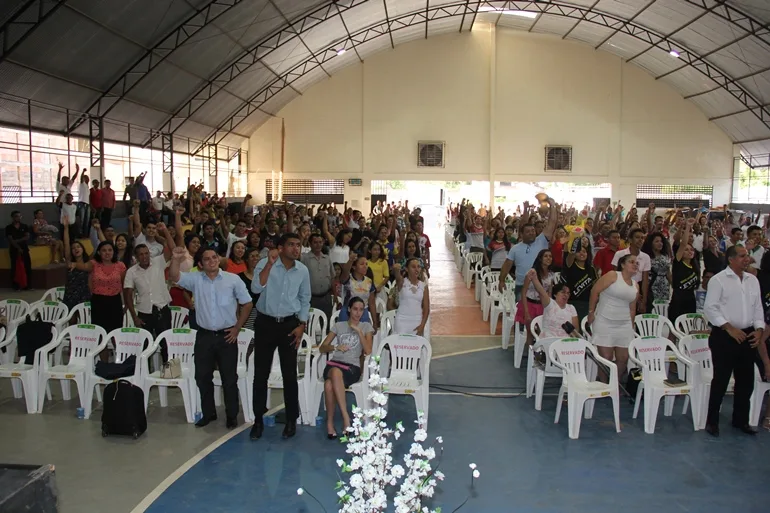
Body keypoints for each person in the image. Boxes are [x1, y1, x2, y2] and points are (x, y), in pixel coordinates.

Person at [169, 246, 253, 429]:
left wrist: (238, 328)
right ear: (200, 264)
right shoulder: (195, 280)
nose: (212, 261)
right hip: (204, 336)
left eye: (214, 257)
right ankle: (209, 413)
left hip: (227, 336)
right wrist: (175, 259)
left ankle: (232, 416)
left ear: (219, 259)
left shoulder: (233, 280)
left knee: (229, 379)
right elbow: (175, 277)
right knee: (202, 376)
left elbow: (247, 303)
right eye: (206, 259)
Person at [250, 233, 311, 440]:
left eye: (299, 245)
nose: (296, 249)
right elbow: (255, 288)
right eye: (292, 245)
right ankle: (258, 419)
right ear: (280, 248)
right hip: (265, 323)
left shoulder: (302, 270)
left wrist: (302, 324)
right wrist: (268, 264)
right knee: (261, 373)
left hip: (289, 325)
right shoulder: (264, 264)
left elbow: (305, 298)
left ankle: (292, 418)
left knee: (289, 374)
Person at [703, 245, 764, 436]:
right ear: (731, 259)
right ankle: (712, 421)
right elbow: (710, 308)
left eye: (747, 256)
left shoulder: (752, 280)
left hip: (747, 335)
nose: (747, 259)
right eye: (742, 256)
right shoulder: (718, 280)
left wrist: (759, 329)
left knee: (745, 381)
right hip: (725, 335)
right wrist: (729, 328)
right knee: (721, 380)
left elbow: (758, 308)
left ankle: (740, 420)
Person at [318, 297, 373, 439]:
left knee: (329, 384)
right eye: (355, 309)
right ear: (349, 309)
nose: (358, 313)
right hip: (334, 364)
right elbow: (322, 347)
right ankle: (346, 418)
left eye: (361, 310)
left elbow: (368, 351)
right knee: (334, 373)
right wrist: (335, 347)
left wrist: (359, 332)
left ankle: (331, 422)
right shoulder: (339, 325)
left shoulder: (366, 327)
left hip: (352, 368)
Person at [587, 254, 639, 386]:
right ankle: (603, 384)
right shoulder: (612, 275)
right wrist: (591, 312)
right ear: (622, 264)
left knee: (623, 358)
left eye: (637, 263)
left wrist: (631, 326)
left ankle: (614, 384)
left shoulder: (635, 285)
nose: (635, 265)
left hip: (624, 324)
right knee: (606, 357)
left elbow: (632, 308)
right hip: (605, 321)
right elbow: (594, 291)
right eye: (631, 262)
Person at [499, 198, 558, 299]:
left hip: (541, 286)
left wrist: (552, 206)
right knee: (522, 313)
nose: (532, 233)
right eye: (528, 231)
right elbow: (507, 265)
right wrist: (501, 280)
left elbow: (552, 223)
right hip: (521, 286)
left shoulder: (542, 240)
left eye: (533, 230)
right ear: (521, 234)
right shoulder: (515, 249)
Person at [123, 243, 173, 361]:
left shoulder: (158, 262)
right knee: (145, 346)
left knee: (166, 344)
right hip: (144, 312)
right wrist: (134, 317)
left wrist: (163, 232)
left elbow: (172, 249)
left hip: (162, 309)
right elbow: (128, 294)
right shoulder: (131, 272)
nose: (144, 257)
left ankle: (168, 371)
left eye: (146, 253)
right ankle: (145, 374)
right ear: (136, 257)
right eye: (141, 254)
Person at [89, 241, 127, 361]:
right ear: (99, 252)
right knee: (101, 336)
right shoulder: (93, 265)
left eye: (110, 250)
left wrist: (125, 303)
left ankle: (120, 363)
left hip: (114, 303)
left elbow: (125, 286)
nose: (107, 253)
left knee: (116, 335)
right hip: (98, 303)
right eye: (104, 250)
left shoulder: (120, 266)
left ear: (113, 252)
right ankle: (104, 365)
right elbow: (90, 284)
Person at [516, 249, 557, 345]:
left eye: (550, 256)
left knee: (542, 332)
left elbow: (549, 293)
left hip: (542, 306)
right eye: (546, 256)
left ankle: (541, 354)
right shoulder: (532, 272)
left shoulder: (551, 274)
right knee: (530, 332)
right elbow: (524, 291)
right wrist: (526, 311)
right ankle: (529, 355)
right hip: (529, 304)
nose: (548, 258)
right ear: (540, 258)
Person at [528, 270, 579, 338]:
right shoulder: (550, 304)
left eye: (568, 293)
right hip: (549, 340)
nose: (566, 295)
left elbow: (576, 330)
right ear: (555, 294)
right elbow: (541, 290)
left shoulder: (571, 308)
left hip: (566, 341)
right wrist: (534, 278)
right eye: (563, 292)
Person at [611, 228, 650, 313]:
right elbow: (615, 275)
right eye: (637, 237)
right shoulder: (620, 254)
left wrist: (643, 301)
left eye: (642, 238)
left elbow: (645, 280)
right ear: (630, 239)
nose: (640, 240)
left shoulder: (646, 257)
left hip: (638, 288)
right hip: (621, 288)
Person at [669, 218, 700, 323]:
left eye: (691, 249)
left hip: (690, 300)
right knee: (674, 330)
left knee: (689, 329)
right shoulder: (678, 263)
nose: (689, 251)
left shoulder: (695, 266)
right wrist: (687, 226)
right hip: (678, 300)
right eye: (686, 250)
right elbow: (683, 243)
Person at [392, 258, 430, 337]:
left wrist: (422, 325)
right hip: (401, 320)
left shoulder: (424, 286)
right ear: (406, 269)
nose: (416, 269)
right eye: (413, 267)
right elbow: (397, 275)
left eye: (418, 267)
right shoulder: (402, 282)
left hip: (417, 320)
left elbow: (426, 308)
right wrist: (396, 269)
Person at [300, 233, 335, 319]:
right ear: (310, 244)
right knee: (310, 323)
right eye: (315, 242)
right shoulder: (304, 258)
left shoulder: (327, 258)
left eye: (320, 242)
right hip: (311, 298)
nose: (318, 245)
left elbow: (332, 277)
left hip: (326, 297)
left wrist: (334, 296)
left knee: (326, 322)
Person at [561, 236, 596, 320]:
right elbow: (570, 254)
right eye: (579, 251)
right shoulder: (570, 265)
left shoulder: (591, 269)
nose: (582, 254)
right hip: (572, 302)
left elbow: (595, 287)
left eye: (584, 252)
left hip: (587, 303)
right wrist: (576, 238)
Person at [339, 253, 378, 327]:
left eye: (366, 264)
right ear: (354, 267)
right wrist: (350, 260)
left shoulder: (369, 281)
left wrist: (375, 322)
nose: (365, 266)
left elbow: (372, 303)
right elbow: (345, 272)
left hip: (363, 314)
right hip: (347, 313)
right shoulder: (348, 279)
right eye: (362, 264)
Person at [61, 216, 91, 311]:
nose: (76, 249)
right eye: (73, 248)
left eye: (78, 247)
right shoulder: (69, 262)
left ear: (83, 249)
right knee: (72, 321)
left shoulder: (88, 263)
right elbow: (66, 244)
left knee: (85, 320)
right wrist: (66, 228)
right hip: (71, 295)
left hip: (85, 294)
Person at [6, 211, 31, 291]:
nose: (18, 218)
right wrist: (18, 247)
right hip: (14, 250)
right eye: (16, 216)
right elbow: (10, 240)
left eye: (20, 216)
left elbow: (27, 237)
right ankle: (16, 286)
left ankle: (27, 285)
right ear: (13, 217)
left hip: (24, 249)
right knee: (14, 268)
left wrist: (17, 240)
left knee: (27, 266)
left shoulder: (24, 226)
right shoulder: (9, 227)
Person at [238, 247, 261, 332]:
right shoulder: (239, 277)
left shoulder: (265, 276)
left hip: (262, 313)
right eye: (252, 256)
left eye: (257, 256)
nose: (255, 258)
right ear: (247, 259)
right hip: (245, 312)